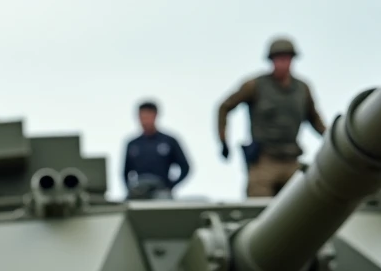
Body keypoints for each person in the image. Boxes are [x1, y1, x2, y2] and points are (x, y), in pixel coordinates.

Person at [217, 36, 327, 197]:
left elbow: (315, 119)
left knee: (300, 205)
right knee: (259, 206)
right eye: (278, 58)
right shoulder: (255, 86)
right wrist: (223, 141)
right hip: (264, 161)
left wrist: (332, 139)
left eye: (286, 58)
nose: (282, 63)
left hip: (291, 160)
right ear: (271, 60)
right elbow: (224, 107)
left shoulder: (302, 89)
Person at [121, 100, 191, 199]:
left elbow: (185, 167)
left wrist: (170, 186)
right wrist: (130, 189)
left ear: (155, 116)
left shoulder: (169, 141)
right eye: (142, 117)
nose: (145, 121)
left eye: (148, 117)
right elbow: (125, 172)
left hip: (161, 190)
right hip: (139, 191)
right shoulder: (133, 144)